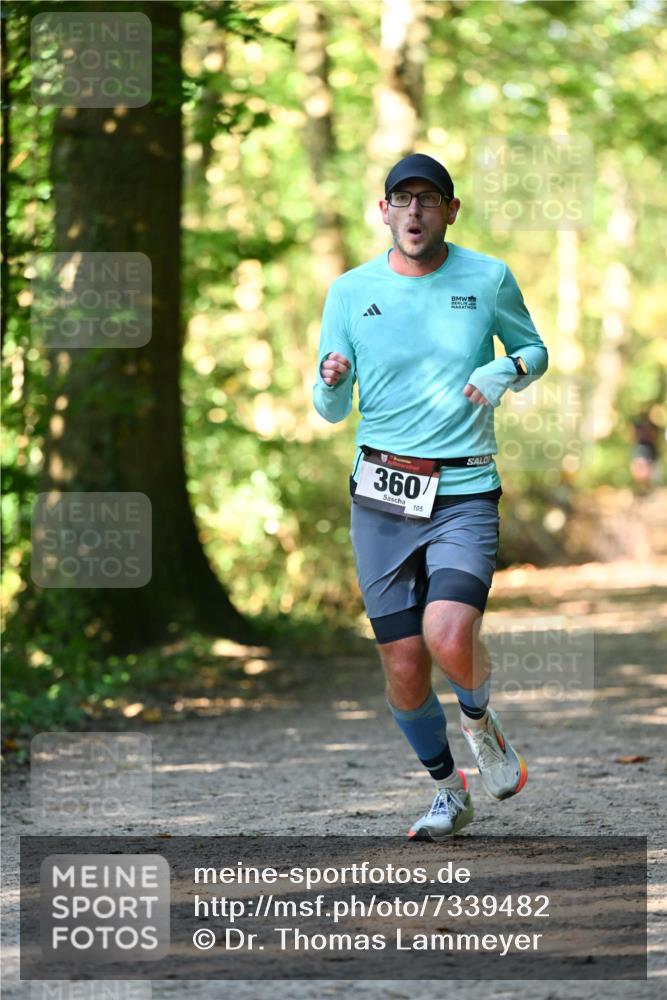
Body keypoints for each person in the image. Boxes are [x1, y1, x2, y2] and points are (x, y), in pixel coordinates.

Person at [313, 152, 548, 841]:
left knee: (447, 634)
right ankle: (449, 791)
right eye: (401, 200)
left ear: (450, 210)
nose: (413, 213)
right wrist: (330, 378)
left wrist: (505, 369)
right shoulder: (349, 291)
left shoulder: (486, 276)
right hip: (381, 495)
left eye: (428, 200)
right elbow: (330, 408)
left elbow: (533, 351)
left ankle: (479, 721)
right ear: (382, 211)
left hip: (464, 486)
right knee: (405, 665)